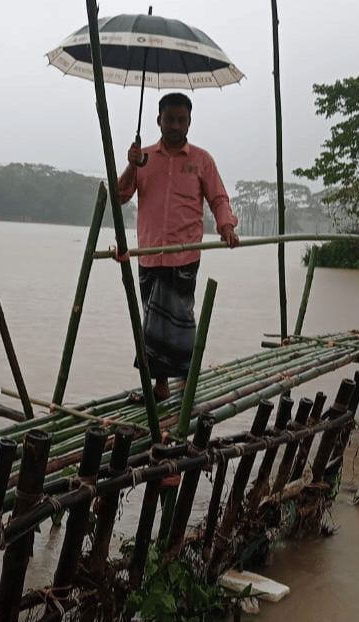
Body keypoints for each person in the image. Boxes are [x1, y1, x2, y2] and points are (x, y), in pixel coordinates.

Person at [116, 93, 239, 402]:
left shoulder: (201, 160)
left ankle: (186, 379)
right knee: (153, 325)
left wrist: (226, 227)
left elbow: (218, 198)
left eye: (181, 119)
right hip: (149, 254)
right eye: (169, 119)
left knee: (181, 320)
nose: (174, 125)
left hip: (184, 254)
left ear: (189, 122)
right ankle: (160, 386)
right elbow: (120, 195)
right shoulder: (142, 158)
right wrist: (131, 166)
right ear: (158, 120)